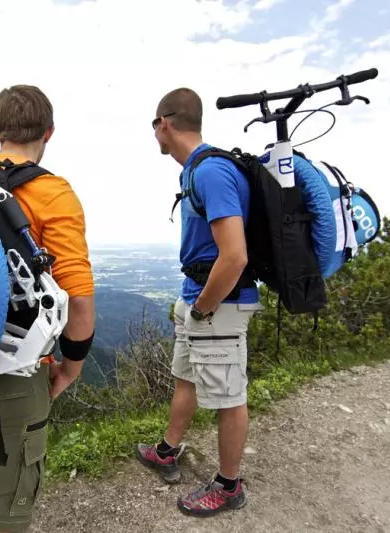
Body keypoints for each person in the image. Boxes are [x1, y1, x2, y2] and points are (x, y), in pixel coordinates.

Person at [0, 84, 96, 533]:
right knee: (8, 499)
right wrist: (72, 365)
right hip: (15, 365)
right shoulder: (52, 192)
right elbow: (80, 298)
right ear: (49, 132)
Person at [134, 87, 263, 517]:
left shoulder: (209, 172)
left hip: (219, 306)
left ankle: (229, 487)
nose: (155, 135)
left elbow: (235, 255)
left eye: (154, 127)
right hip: (198, 299)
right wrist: (194, 306)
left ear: (163, 124)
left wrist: (205, 308)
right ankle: (166, 451)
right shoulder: (195, 171)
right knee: (185, 377)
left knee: (228, 396)